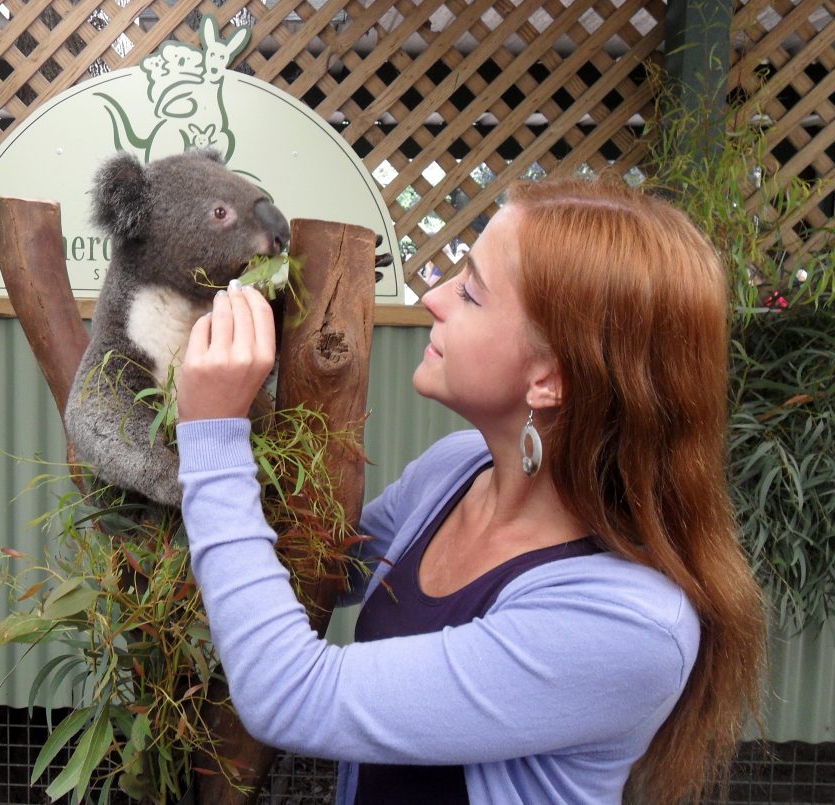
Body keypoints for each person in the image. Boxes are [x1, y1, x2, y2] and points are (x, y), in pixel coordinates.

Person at [172, 176, 767, 804]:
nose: (434, 298)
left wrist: (212, 434)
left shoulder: (628, 624)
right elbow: (308, 570)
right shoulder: (454, 472)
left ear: (550, 379)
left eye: (473, 294)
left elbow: (291, 694)